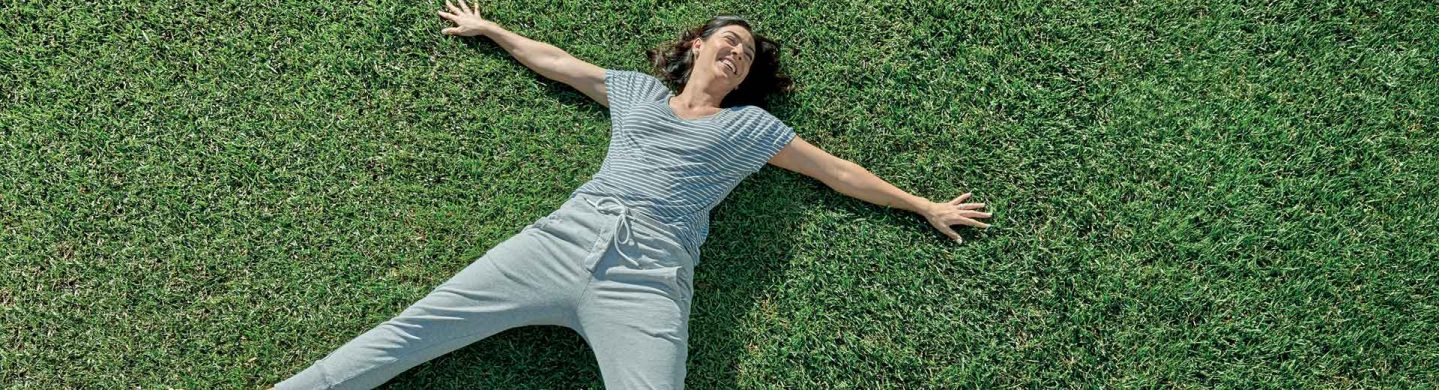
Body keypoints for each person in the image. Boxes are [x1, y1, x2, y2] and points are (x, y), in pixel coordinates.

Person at [274, 2, 992, 389]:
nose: (735, 50)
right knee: (410, 332)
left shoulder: (752, 129)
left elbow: (837, 172)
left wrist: (924, 205)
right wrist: (491, 28)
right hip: (555, 244)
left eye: (744, 50)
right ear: (695, 49)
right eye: (726, 38)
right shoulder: (638, 93)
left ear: (745, 76)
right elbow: (563, 66)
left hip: (647, 275)